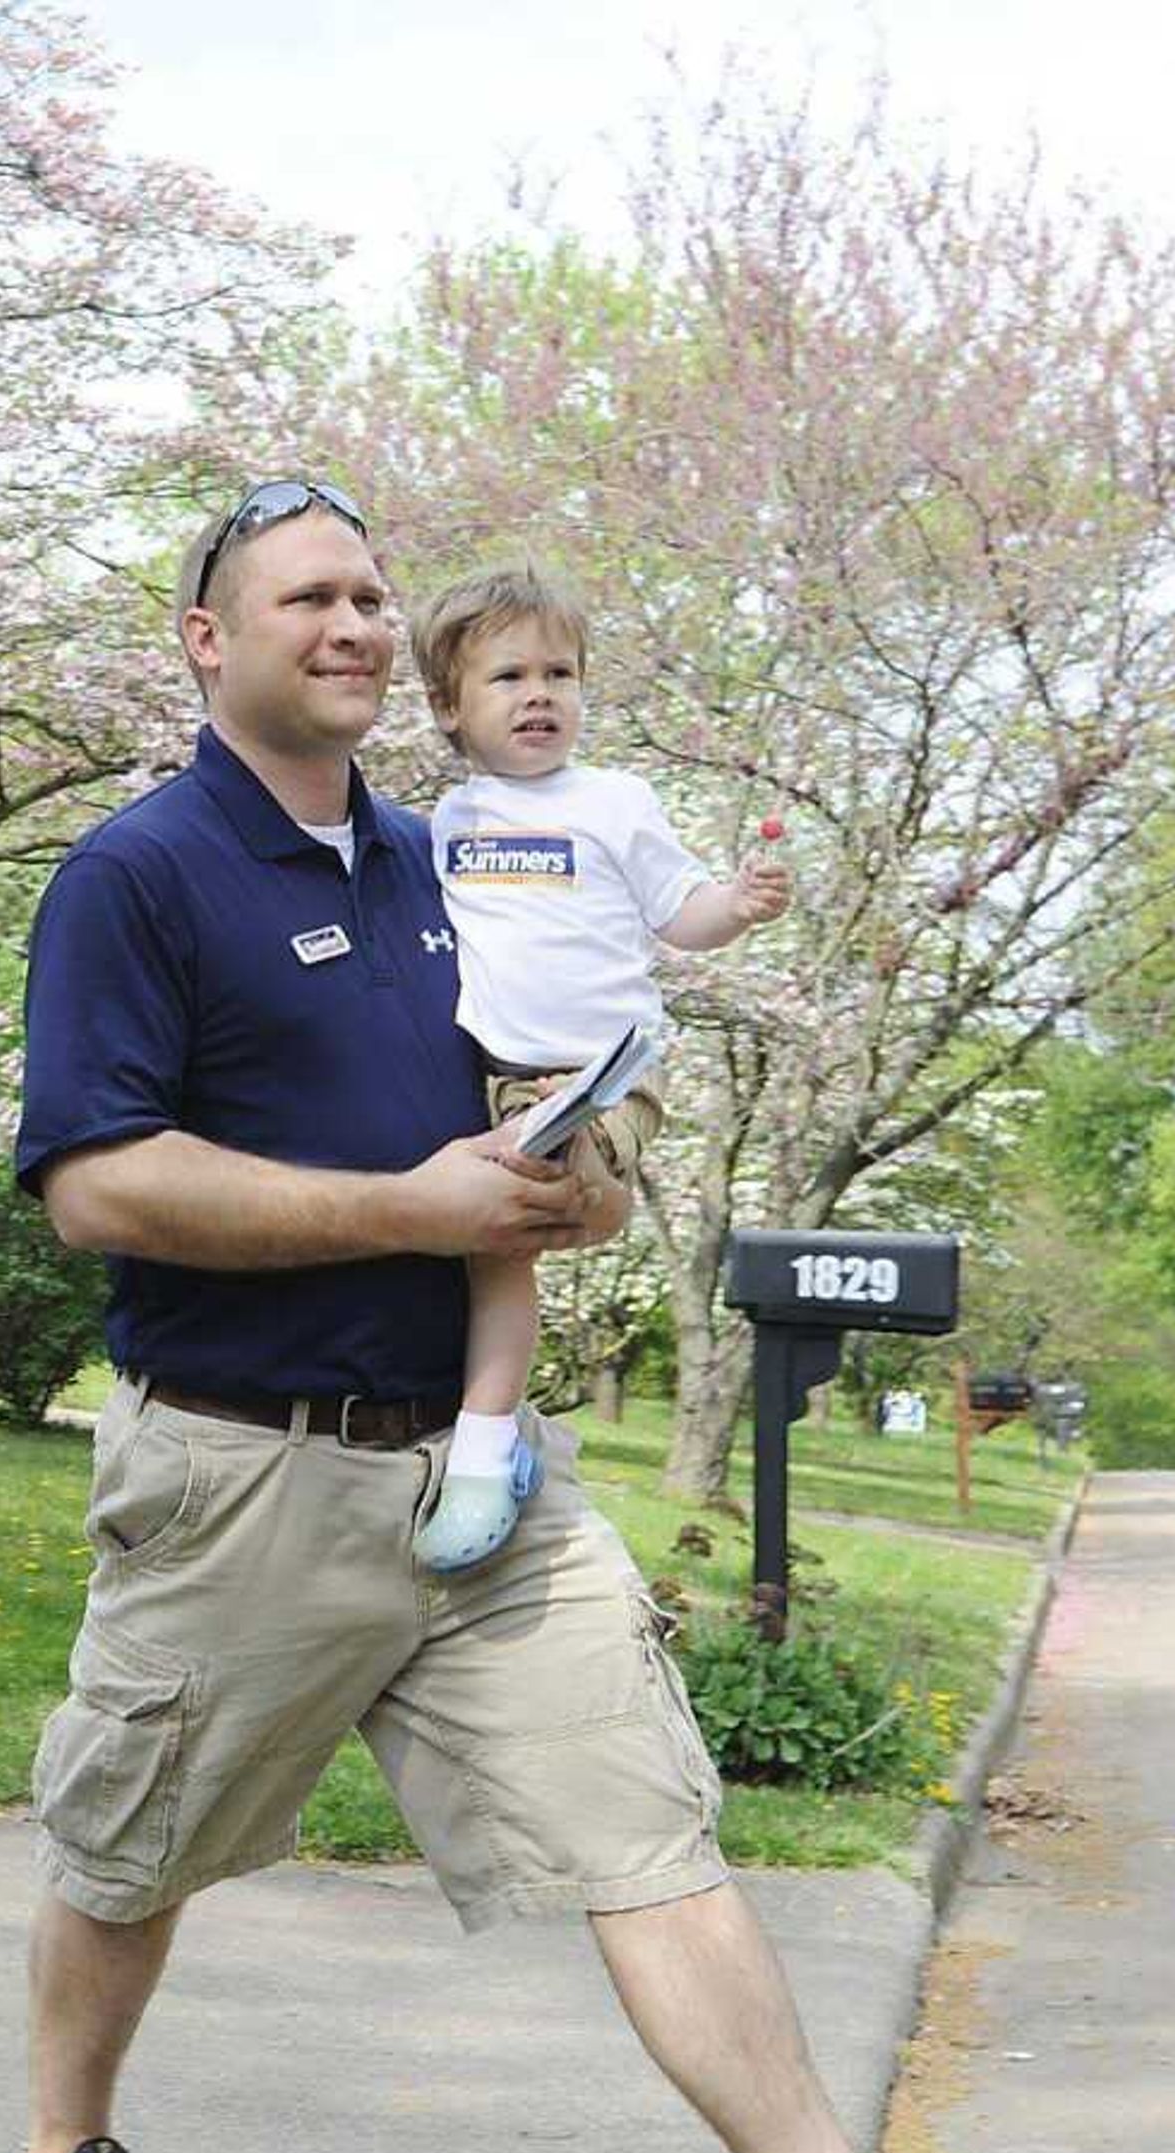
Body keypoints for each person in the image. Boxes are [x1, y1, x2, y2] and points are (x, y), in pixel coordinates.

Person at [0, 477, 1121, 2153]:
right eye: (305, 597)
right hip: (249, 1468)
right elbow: (99, 1185)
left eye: (369, 594)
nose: (350, 622)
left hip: (483, 1477)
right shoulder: (140, 876)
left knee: (647, 1834)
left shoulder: (460, 861)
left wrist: (571, 1186)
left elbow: (533, 1104)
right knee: (129, 1847)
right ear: (210, 642)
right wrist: (409, 1212)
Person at [403, 562, 794, 1571]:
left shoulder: (615, 801)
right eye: (508, 677)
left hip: (608, 1072)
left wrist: (738, 905)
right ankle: (494, 1437)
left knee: (535, 1184)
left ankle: (484, 1454)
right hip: (495, 1069)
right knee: (492, 1249)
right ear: (450, 706)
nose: (540, 695)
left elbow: (681, 915)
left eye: (560, 673)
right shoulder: (448, 827)